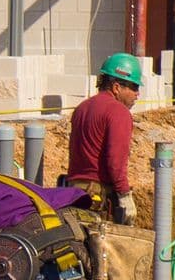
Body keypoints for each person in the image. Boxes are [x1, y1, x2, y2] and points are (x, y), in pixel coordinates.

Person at [60, 53, 142, 220]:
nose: (137, 94)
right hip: (97, 196)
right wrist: (124, 195)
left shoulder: (82, 108)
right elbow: (115, 161)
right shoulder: (118, 112)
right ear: (117, 87)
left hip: (74, 192)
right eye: (133, 87)